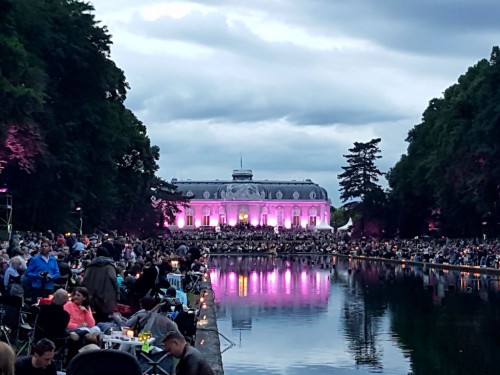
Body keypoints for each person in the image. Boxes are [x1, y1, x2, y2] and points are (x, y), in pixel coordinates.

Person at [82, 247, 118, 322]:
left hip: (92, 295)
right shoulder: (109, 266)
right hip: (106, 295)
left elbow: (84, 280)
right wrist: (118, 293)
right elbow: (114, 280)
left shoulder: (90, 266)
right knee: (104, 317)